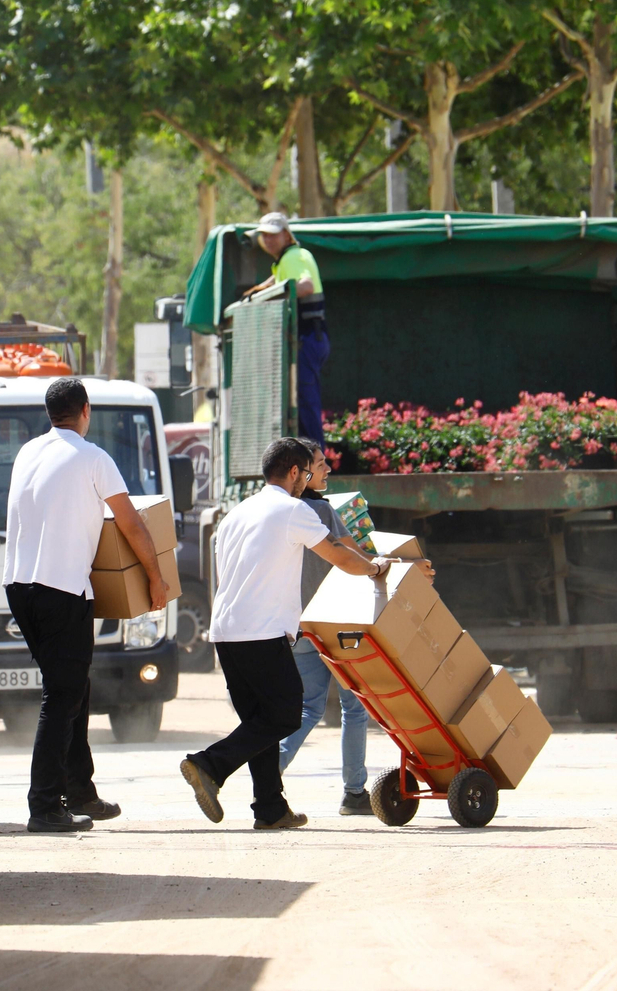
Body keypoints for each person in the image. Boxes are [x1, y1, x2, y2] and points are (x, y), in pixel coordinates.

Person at [178, 437, 393, 830]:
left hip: (226, 633)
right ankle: (208, 764)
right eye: (306, 473)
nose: (307, 480)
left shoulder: (237, 514)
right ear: (295, 472)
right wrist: (376, 569)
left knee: (259, 721)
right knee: (287, 713)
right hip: (262, 632)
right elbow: (339, 555)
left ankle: (270, 808)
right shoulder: (294, 510)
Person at [4, 377, 169, 833]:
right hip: (61, 591)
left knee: (73, 688)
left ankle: (80, 791)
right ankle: (44, 806)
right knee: (62, 696)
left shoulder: (28, 453)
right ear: (85, 411)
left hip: (19, 588)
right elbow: (132, 524)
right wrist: (155, 578)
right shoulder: (93, 457)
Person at [278, 440, 376, 814]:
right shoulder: (321, 510)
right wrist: (387, 562)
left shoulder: (280, 512)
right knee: (355, 706)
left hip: (299, 625)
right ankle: (354, 793)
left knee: (307, 708)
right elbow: (351, 555)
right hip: (334, 625)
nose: (326, 470)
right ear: (302, 472)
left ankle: (272, 771)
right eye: (320, 465)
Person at [247, 213, 329, 444]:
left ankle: (315, 465)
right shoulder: (286, 260)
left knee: (304, 403)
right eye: (264, 235)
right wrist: (259, 290)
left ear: (286, 235)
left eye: (273, 235)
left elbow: (305, 285)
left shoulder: (294, 257)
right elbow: (277, 278)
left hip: (308, 339)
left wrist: (271, 294)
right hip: (308, 339)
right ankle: (310, 464)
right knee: (299, 403)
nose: (268, 240)